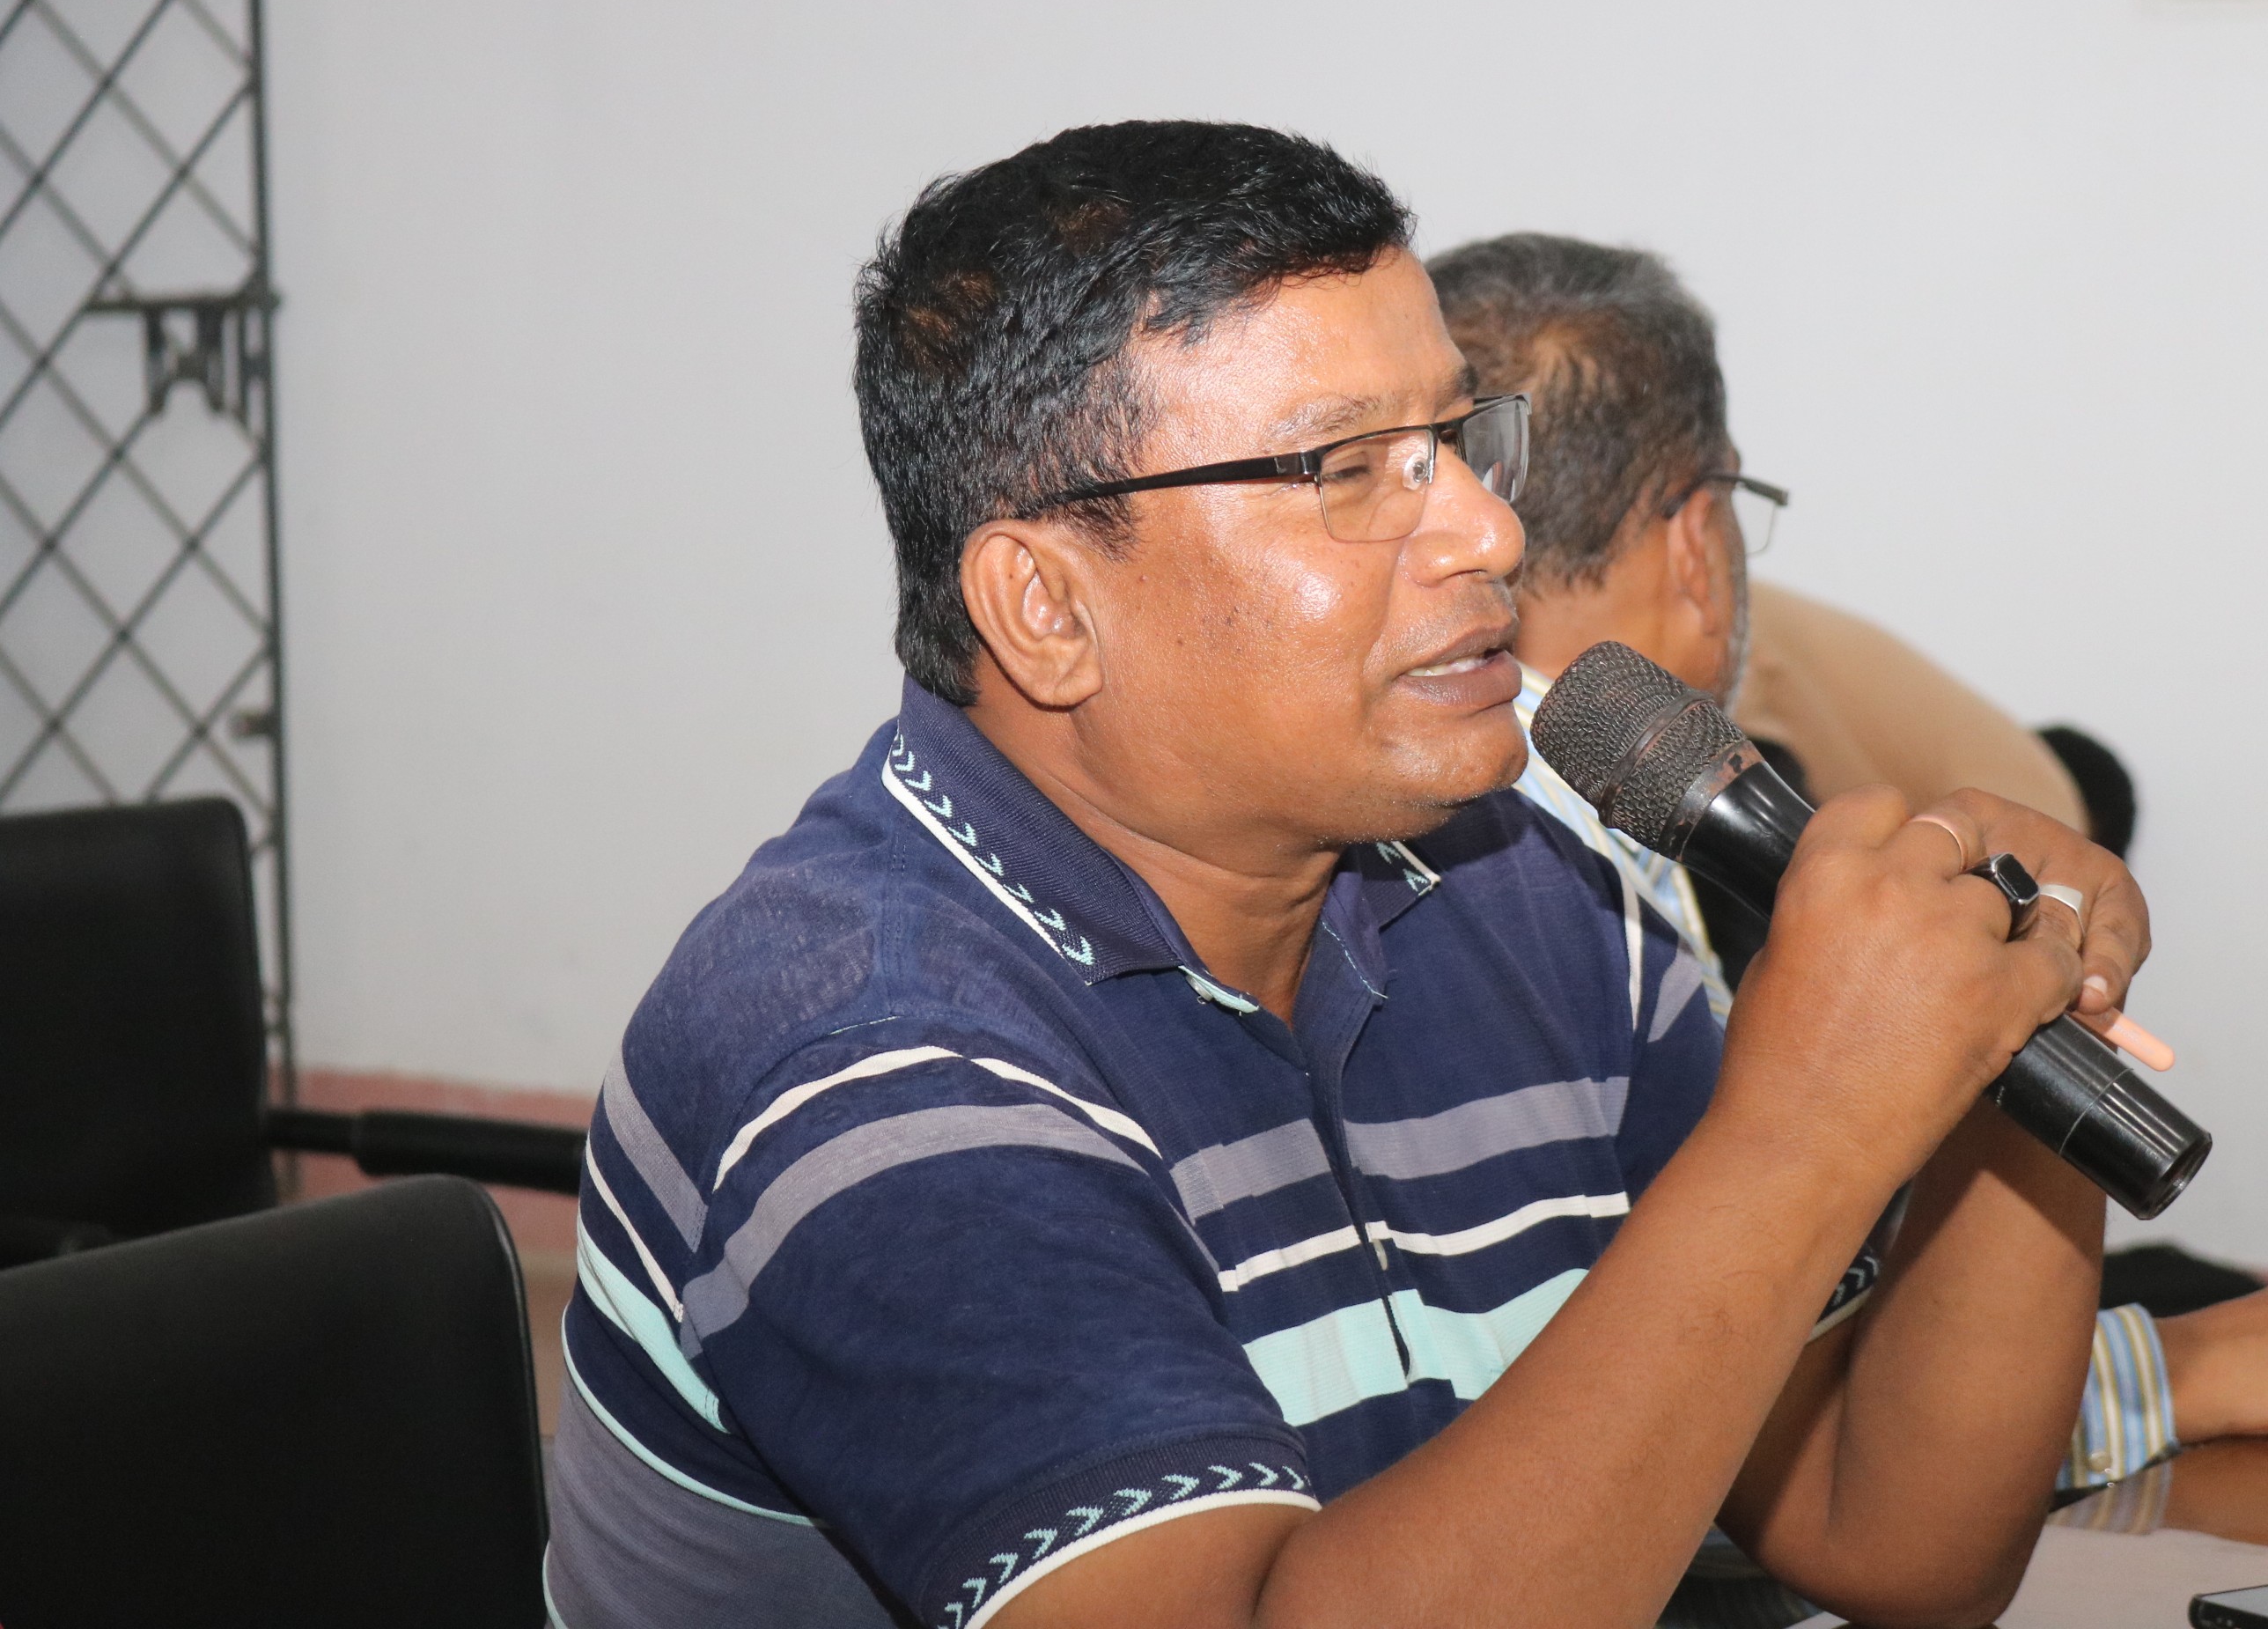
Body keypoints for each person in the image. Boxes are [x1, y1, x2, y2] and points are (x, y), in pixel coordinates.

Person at [548, 122, 2172, 1629]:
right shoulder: (867, 1060)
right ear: (1045, 608)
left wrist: (2008, 1042)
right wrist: (1802, 1131)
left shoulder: (1528, 880)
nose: (1486, 532)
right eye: (1344, 470)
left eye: (1454, 441)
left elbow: (1887, 1539)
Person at [1426, 229, 2268, 1502]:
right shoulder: (1559, 867)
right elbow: (1669, 1424)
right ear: (1699, 542)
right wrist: (2173, 1373)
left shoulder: (1541, 805)